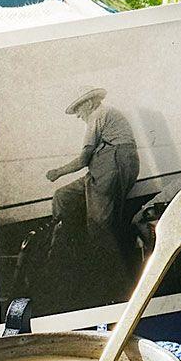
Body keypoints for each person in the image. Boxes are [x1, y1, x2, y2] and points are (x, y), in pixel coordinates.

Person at [26, 87, 142, 315]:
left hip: (112, 165)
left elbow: (83, 159)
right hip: (103, 167)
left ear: (88, 103)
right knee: (63, 196)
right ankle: (62, 242)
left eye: (78, 109)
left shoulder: (98, 116)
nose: (78, 115)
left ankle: (112, 284)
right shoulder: (106, 118)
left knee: (99, 224)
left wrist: (57, 172)